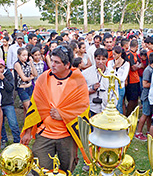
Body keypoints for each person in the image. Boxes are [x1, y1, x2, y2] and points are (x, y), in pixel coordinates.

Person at [21, 45, 90, 173]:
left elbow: (83, 109)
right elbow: (34, 106)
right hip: (44, 134)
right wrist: (27, 131)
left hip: (67, 136)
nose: (52, 64)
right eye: (51, 60)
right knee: (39, 170)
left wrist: (63, 115)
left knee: (66, 171)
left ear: (67, 64)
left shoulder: (78, 81)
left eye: (57, 62)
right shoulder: (43, 78)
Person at [135, 52, 153, 141]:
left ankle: (149, 131)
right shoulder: (148, 70)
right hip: (146, 96)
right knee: (145, 114)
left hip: (151, 96)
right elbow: (145, 84)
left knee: (149, 114)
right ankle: (138, 132)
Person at [82, 48, 112, 116]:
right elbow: (80, 91)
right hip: (91, 108)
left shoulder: (111, 74)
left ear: (107, 59)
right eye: (98, 59)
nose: (100, 62)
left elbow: (115, 92)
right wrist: (90, 90)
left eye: (103, 59)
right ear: (94, 59)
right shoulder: (86, 73)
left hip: (106, 108)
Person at [0, 58, 20, 149]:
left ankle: (17, 140)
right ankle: (4, 139)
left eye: (0, 67)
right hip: (0, 104)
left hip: (8, 103)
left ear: (4, 66)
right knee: (1, 124)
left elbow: (10, 88)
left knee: (13, 123)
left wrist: (3, 79)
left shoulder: (8, 75)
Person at [14, 48, 37, 117]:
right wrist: (30, 77)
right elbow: (23, 78)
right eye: (23, 55)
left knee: (26, 108)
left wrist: (31, 63)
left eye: (26, 55)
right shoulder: (17, 64)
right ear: (18, 55)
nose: (25, 57)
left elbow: (35, 74)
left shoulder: (27, 64)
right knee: (29, 108)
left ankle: (26, 124)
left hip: (29, 87)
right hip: (22, 88)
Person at [107, 46, 130, 114]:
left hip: (120, 87)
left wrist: (115, 75)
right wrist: (114, 67)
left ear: (120, 54)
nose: (113, 56)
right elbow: (109, 74)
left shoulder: (126, 64)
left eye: (115, 54)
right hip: (112, 86)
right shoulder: (110, 63)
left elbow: (123, 78)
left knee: (119, 105)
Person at [126, 40, 143, 116]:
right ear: (137, 47)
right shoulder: (129, 54)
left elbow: (139, 63)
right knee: (132, 99)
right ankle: (128, 115)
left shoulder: (135, 54)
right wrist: (138, 66)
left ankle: (133, 115)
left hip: (136, 79)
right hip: (131, 80)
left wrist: (138, 65)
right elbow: (133, 67)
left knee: (135, 99)